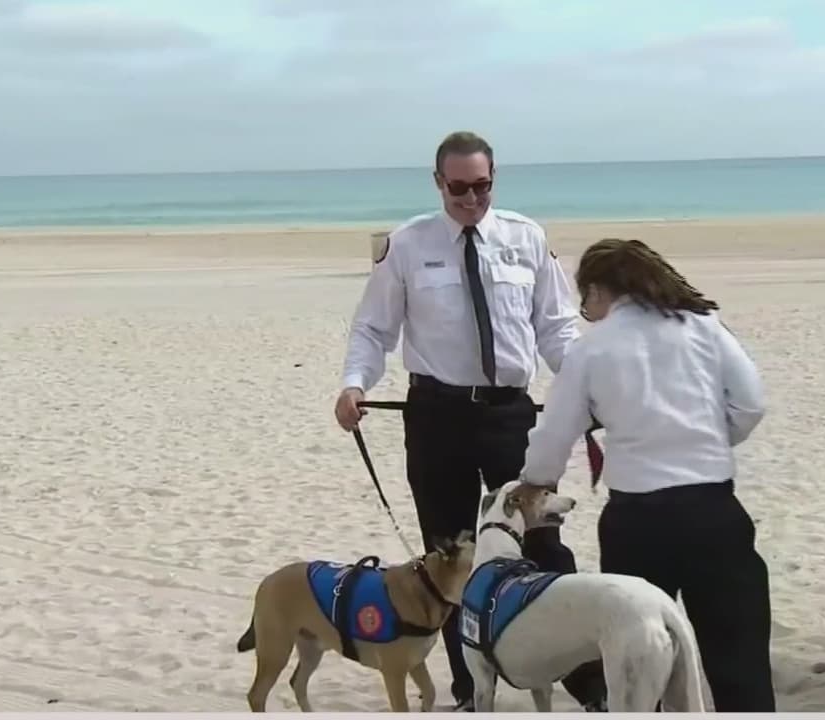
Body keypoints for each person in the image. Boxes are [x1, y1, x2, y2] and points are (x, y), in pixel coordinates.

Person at [333, 130, 607, 712]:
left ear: (494, 179)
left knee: (544, 546)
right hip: (437, 417)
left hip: (511, 415)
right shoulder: (407, 245)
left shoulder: (526, 237)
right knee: (451, 559)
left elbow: (556, 327)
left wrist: (589, 387)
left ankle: (590, 687)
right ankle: (470, 691)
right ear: (439, 183)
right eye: (458, 188)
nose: (471, 198)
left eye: (482, 186)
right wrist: (355, 383)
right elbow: (374, 328)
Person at [518, 238, 777, 712]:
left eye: (586, 300)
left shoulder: (591, 348)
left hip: (637, 521)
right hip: (712, 509)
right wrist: (705, 439)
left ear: (599, 290)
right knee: (739, 661)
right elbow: (750, 405)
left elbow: (554, 434)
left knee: (639, 670)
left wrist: (534, 480)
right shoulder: (704, 326)